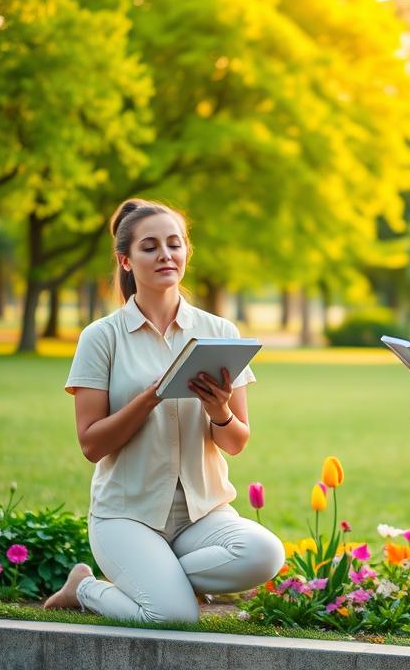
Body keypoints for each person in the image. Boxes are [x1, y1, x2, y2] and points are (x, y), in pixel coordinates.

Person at [44, 199, 284, 622]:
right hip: (126, 515)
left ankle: (160, 580)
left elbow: (237, 442)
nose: (165, 255)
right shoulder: (101, 337)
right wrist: (150, 397)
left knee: (265, 554)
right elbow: (91, 445)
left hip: (203, 515)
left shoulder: (219, 332)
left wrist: (220, 411)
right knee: (172, 617)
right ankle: (84, 587)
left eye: (175, 244)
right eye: (150, 247)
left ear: (187, 252)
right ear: (126, 260)